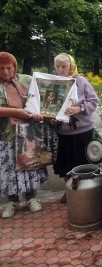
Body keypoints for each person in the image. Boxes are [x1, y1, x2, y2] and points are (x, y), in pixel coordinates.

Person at [0, 52, 46, 218]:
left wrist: (41, 113)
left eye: (9, 67)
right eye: (1, 68)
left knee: (29, 165)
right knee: (9, 169)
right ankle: (12, 201)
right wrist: (16, 111)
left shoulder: (26, 80)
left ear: (15, 67)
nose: (5, 71)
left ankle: (31, 198)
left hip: (28, 133)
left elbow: (40, 99)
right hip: (6, 136)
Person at [52, 53, 99, 203]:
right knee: (64, 163)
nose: (60, 70)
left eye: (64, 66)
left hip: (82, 132)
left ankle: (86, 190)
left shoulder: (81, 81)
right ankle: (70, 190)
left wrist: (80, 108)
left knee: (82, 162)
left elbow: (94, 100)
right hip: (62, 132)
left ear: (71, 67)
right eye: (58, 66)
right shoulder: (53, 83)